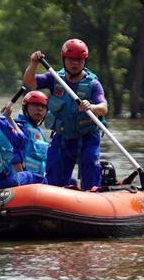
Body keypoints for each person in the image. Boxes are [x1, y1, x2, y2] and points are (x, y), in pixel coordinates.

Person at [22, 39, 108, 189]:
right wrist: (34, 63)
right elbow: (29, 82)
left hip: (87, 138)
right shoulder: (54, 78)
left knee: (90, 162)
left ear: (84, 61)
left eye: (79, 60)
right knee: (54, 170)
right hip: (63, 138)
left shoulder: (93, 84)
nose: (75, 63)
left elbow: (104, 107)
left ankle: (93, 195)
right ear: (64, 59)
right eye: (71, 59)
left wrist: (92, 107)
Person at [11, 90, 50, 180]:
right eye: (35, 105)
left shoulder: (39, 132)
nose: (40, 109)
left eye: (43, 107)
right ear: (25, 108)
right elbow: (13, 155)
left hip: (37, 179)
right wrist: (21, 178)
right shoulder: (19, 127)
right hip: (23, 180)